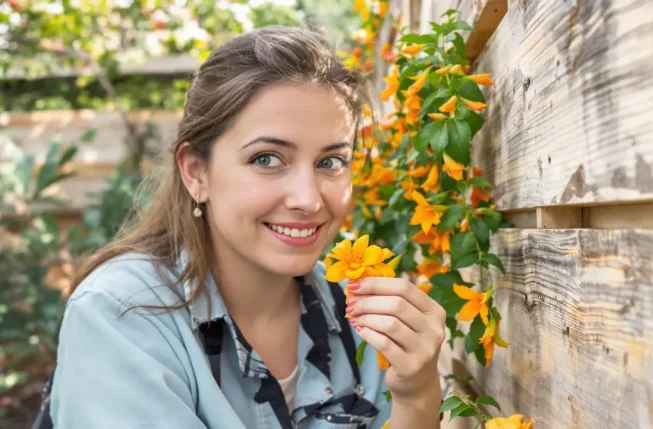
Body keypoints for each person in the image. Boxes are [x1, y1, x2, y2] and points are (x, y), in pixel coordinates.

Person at [48, 26, 447, 428]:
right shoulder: (122, 315)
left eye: (330, 162)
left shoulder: (359, 312)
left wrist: (416, 394)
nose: (309, 200)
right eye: (267, 159)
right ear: (196, 172)